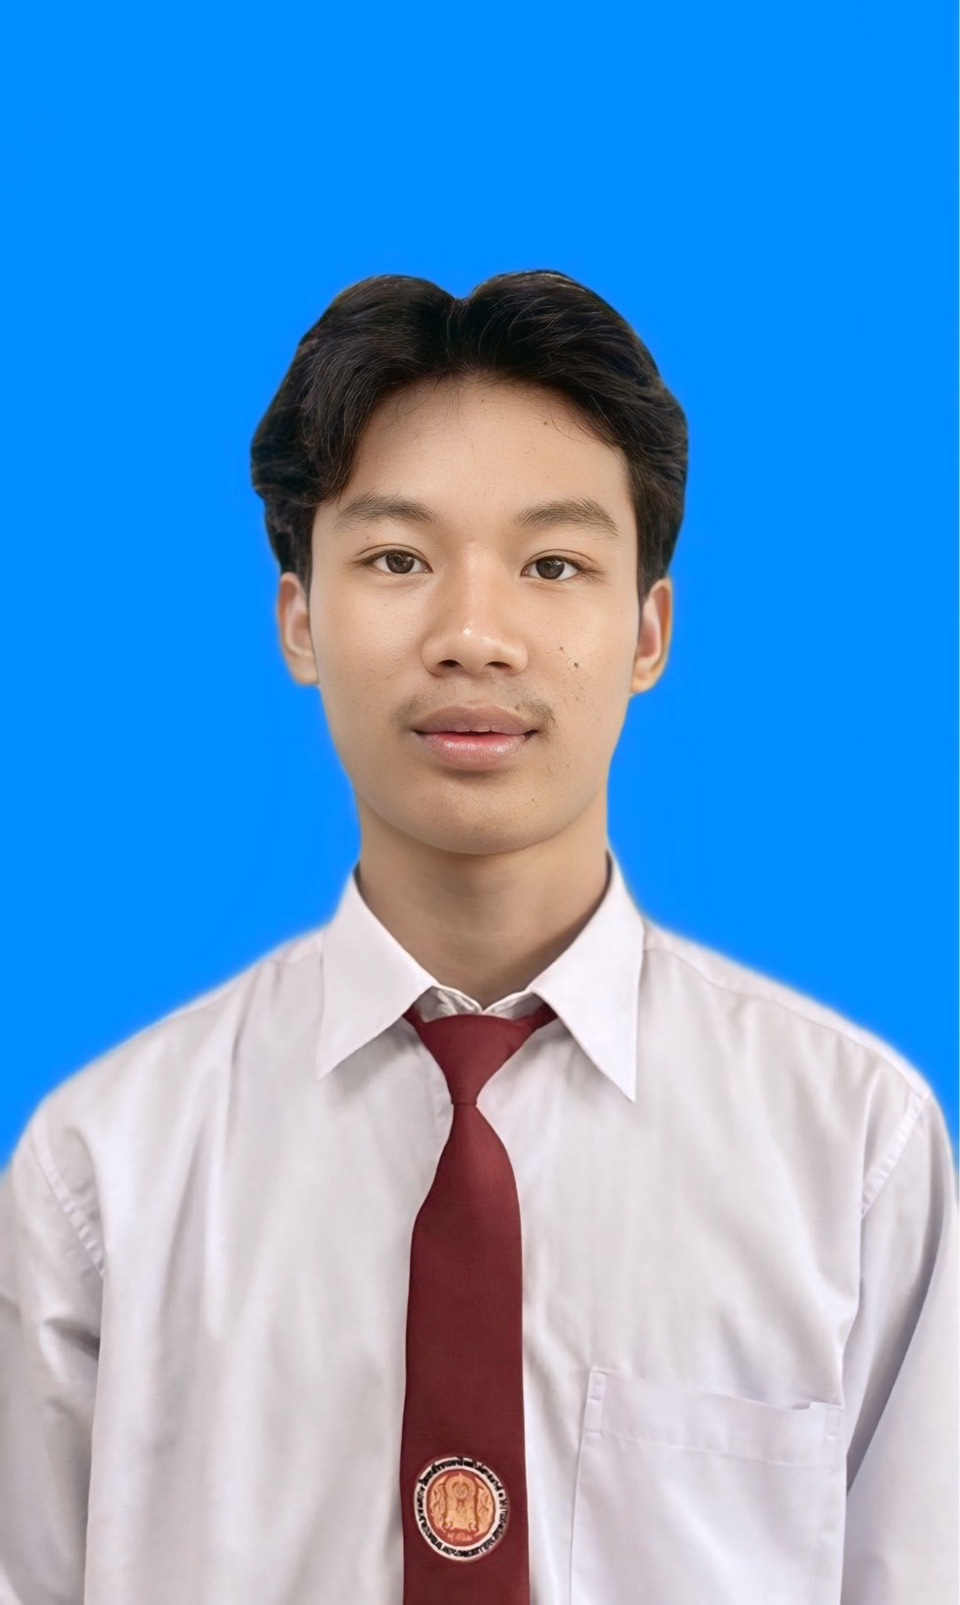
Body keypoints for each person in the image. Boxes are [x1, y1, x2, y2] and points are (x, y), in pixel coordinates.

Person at [0, 270, 956, 1605]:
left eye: (553, 564)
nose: (473, 636)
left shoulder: (855, 1151)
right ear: (299, 619)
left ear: (648, 632)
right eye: (397, 559)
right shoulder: (106, 1174)